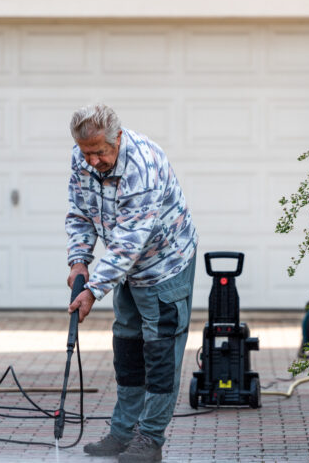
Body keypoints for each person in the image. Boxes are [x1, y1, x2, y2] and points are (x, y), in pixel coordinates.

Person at [65, 103, 198, 463]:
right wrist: (79, 262)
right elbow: (79, 213)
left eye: (100, 152)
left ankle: (149, 440)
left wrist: (93, 290)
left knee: (159, 353)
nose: (92, 160)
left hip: (164, 265)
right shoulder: (84, 160)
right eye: (86, 152)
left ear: (118, 138)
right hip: (124, 271)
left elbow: (128, 243)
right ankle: (122, 434)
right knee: (127, 347)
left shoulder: (142, 165)